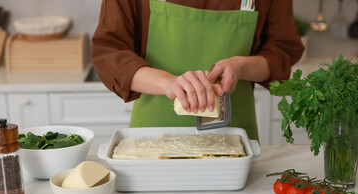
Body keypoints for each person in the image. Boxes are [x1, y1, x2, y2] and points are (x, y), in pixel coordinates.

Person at [91, 0, 304, 140]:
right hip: (150, 141)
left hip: (234, 143)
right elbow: (109, 50)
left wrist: (240, 67)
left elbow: (282, 50)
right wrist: (168, 83)